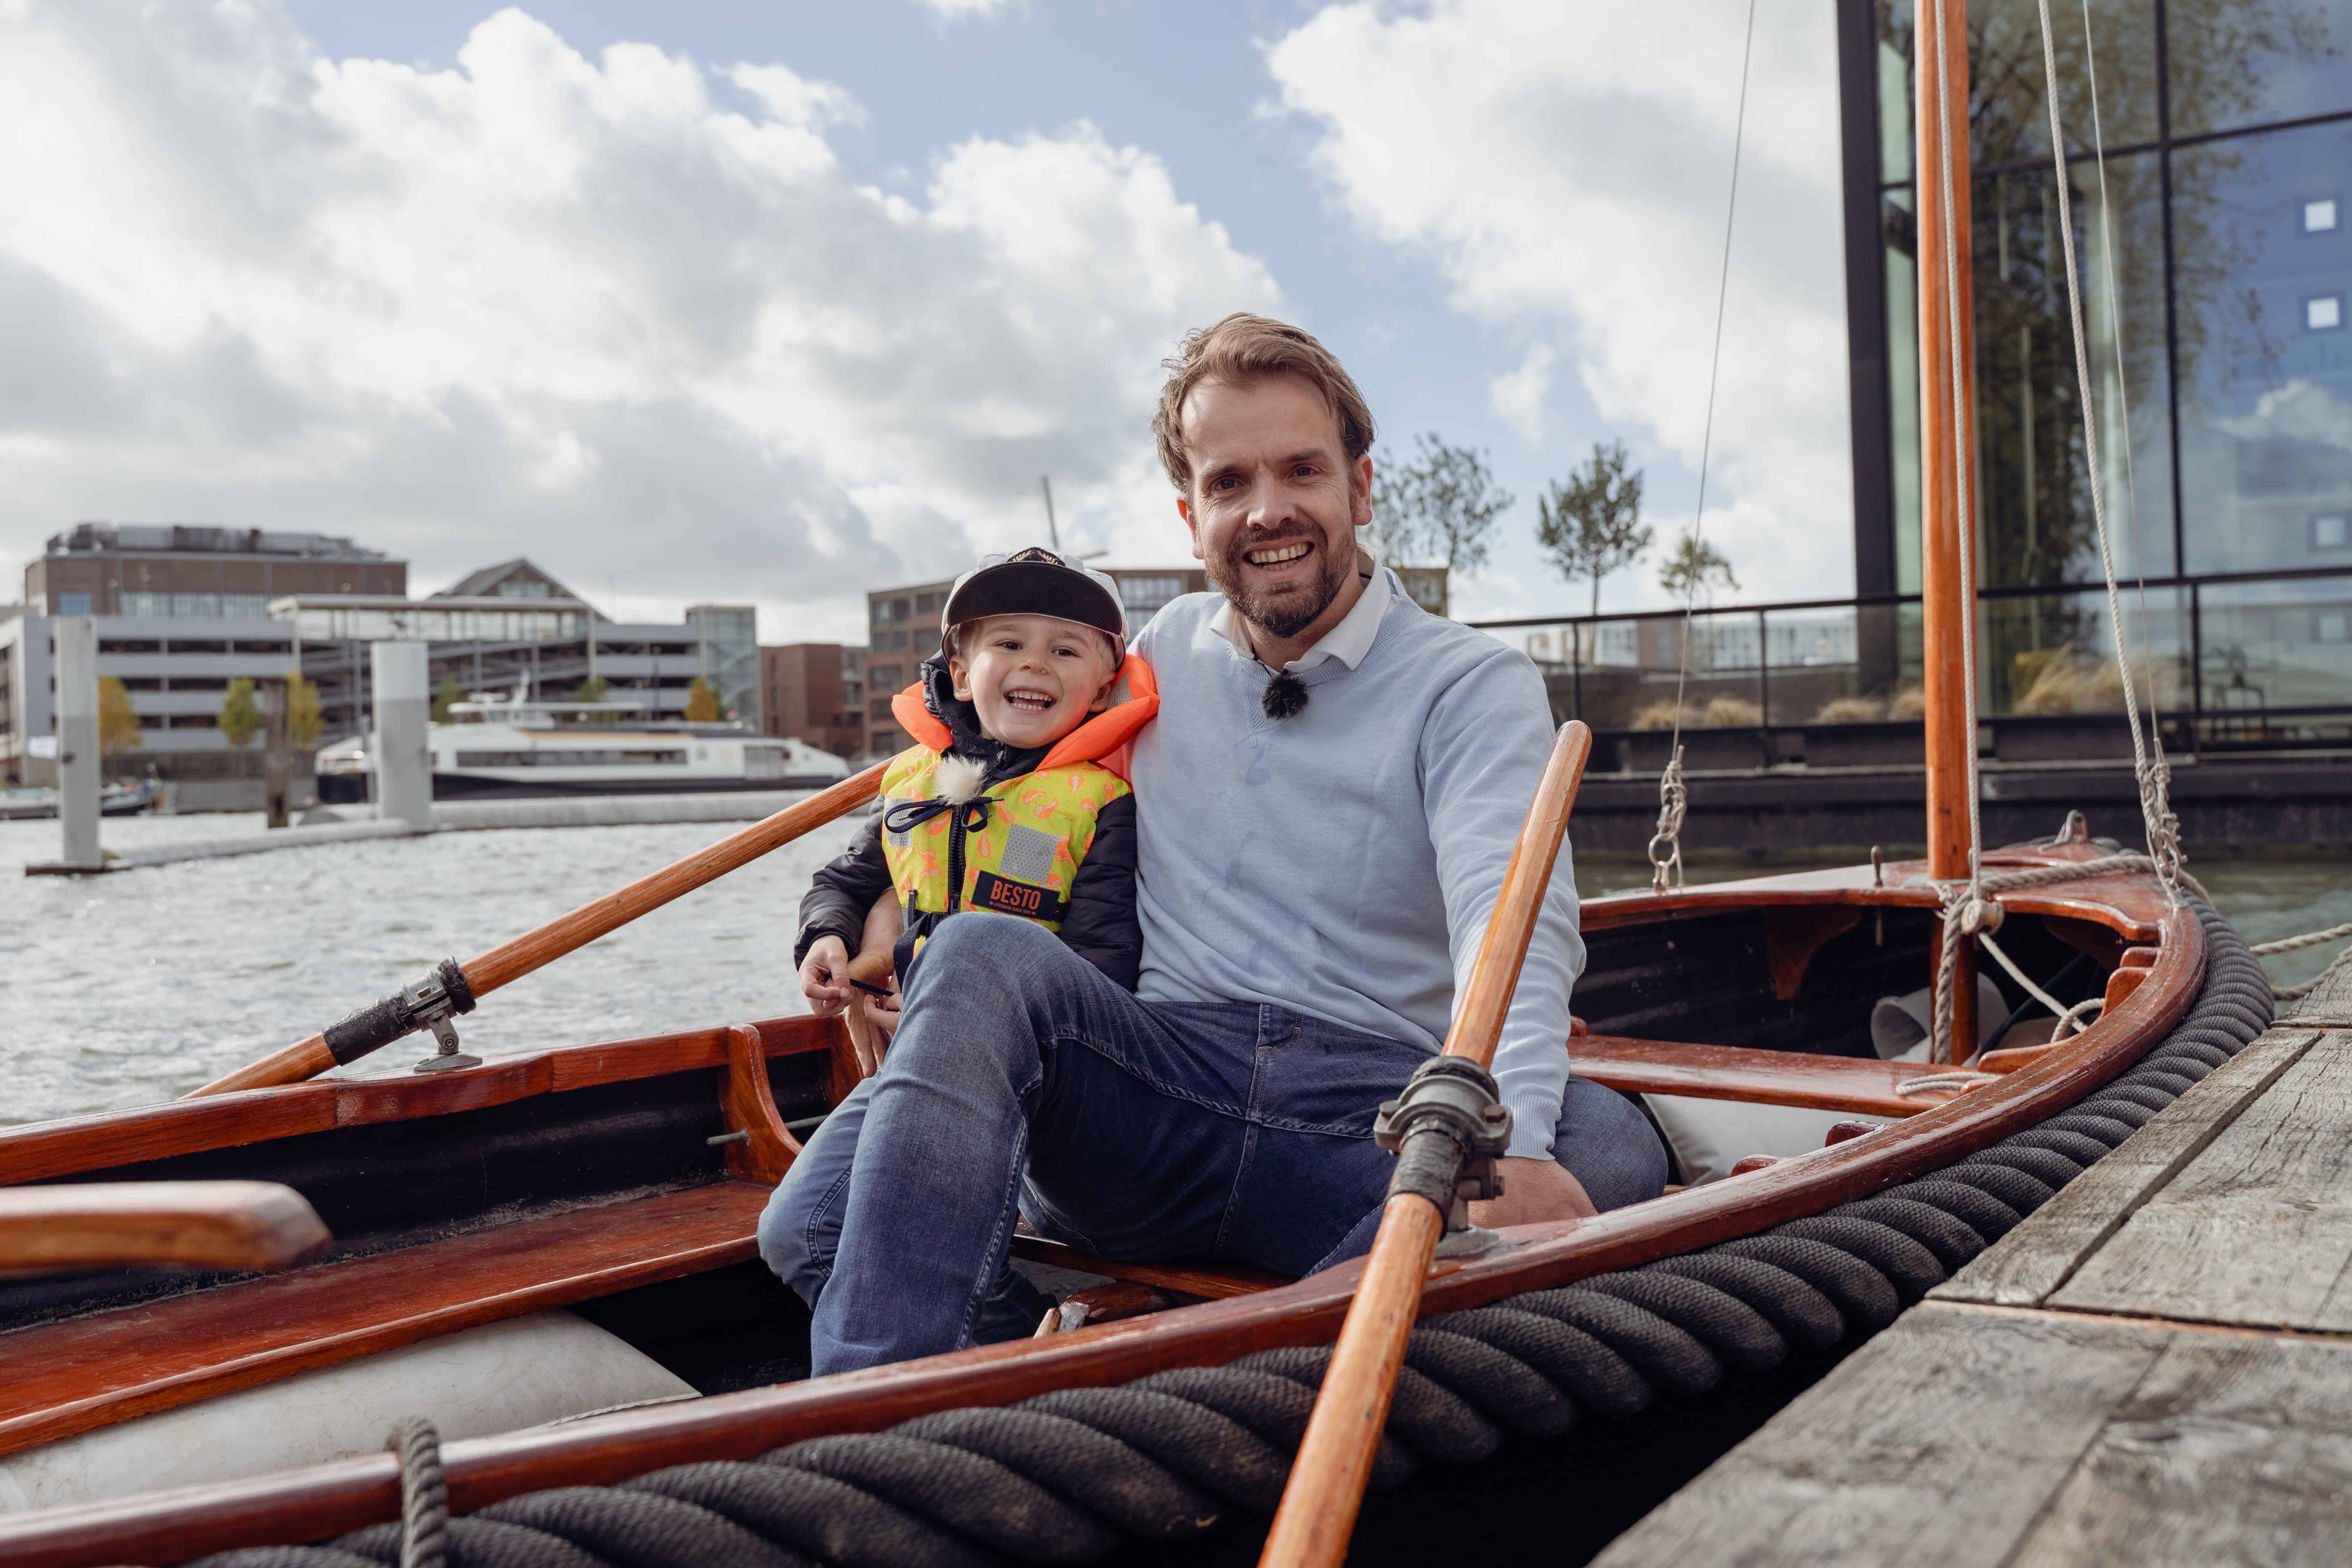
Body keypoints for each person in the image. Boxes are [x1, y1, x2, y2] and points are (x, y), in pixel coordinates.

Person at [761, 313, 1668, 1376]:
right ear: (1193, 518)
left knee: (1600, 1144)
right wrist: (877, 931)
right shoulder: (1151, 658)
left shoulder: (1469, 684)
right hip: (1153, 1087)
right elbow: (983, 805)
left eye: (1300, 471)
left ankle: (1210, 1371)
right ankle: (911, 1408)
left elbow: (1507, 926)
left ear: (1359, 490)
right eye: (1230, 483)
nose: (1268, 510)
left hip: (1359, 1109)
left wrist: (1495, 1135)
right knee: (819, 1208)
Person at [795, 547, 1158, 1016]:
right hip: (905, 1018)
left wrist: (958, 1010)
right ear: (962, 676)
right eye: (1009, 644)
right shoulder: (908, 780)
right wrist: (828, 936)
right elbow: (844, 885)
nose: (1036, 664)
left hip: (1025, 1042)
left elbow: (1103, 962)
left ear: (1103, 692)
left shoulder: (1102, 805)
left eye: (1064, 651)